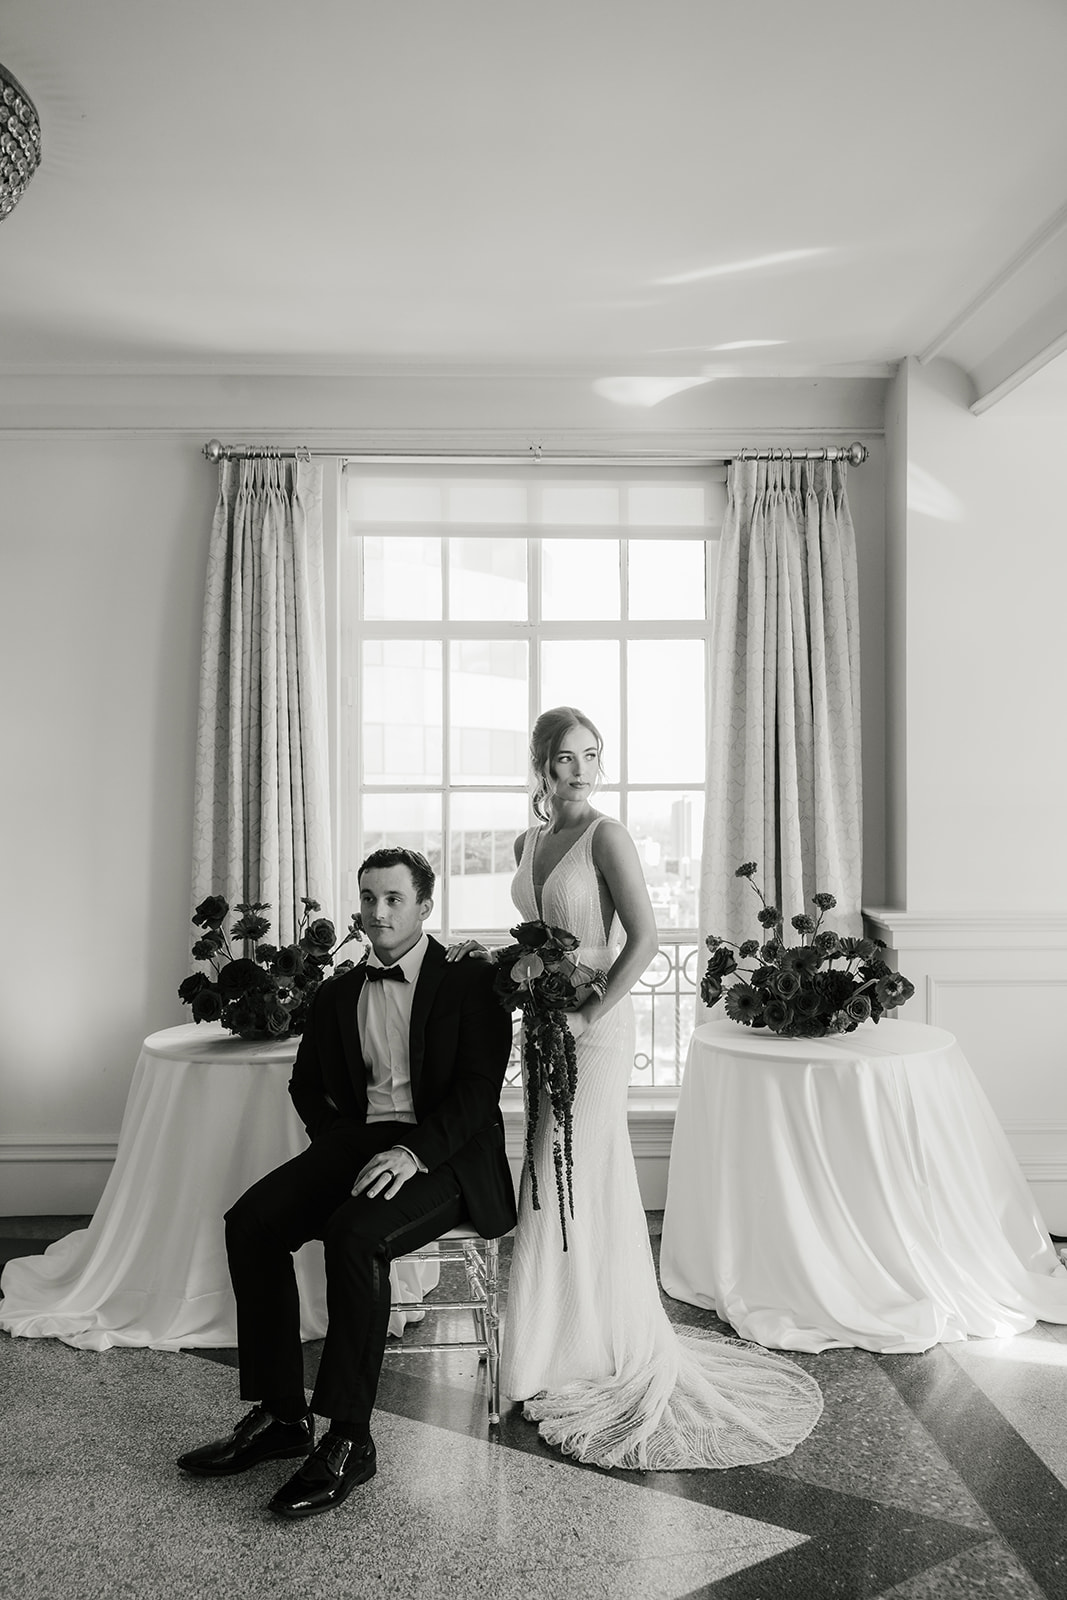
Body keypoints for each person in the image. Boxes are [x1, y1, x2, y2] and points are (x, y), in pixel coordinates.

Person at [448, 707, 823, 1469]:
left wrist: (588, 1012)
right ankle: (551, 1336)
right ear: (540, 766)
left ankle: (570, 1351)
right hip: (546, 1024)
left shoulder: (607, 837)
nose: (579, 769)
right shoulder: (527, 842)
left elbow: (644, 938)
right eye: (563, 758)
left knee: (567, 1170)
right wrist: (503, 971)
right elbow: (536, 941)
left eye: (590, 755)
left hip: (596, 1028)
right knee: (546, 1170)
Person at [177, 847, 516, 1518]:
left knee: (353, 1236)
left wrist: (414, 1155)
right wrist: (337, 1148)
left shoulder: (471, 984)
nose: (378, 911)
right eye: (367, 897)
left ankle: (348, 1438)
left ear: (424, 905)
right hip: (360, 1140)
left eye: (393, 898)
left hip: (447, 1156)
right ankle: (281, 1418)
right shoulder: (337, 991)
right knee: (251, 1223)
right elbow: (307, 1086)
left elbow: (477, 1095)